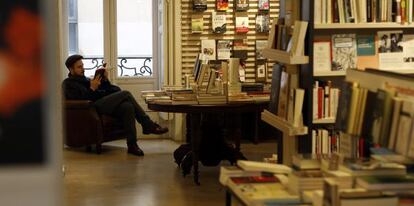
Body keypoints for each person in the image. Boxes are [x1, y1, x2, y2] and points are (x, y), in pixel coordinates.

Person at [62, 54, 168, 156]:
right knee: (126, 94)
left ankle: (132, 145)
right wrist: (92, 89)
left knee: (127, 106)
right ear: (71, 69)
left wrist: (105, 80)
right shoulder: (68, 84)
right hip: (92, 109)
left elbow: (115, 91)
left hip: (102, 105)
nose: (83, 69)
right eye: (79, 67)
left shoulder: (87, 80)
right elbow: (81, 100)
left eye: (83, 66)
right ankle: (148, 125)